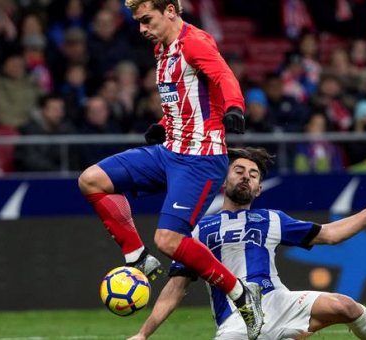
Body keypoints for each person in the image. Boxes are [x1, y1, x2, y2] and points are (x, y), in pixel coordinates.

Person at [76, 1, 264, 339]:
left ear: (171, 12)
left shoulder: (194, 42)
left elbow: (223, 76)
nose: (142, 29)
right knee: (91, 180)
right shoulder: (164, 49)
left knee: (168, 240)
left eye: (147, 20)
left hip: (200, 159)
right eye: (138, 22)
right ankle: (138, 258)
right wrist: (164, 124)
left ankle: (241, 293)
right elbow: (186, 97)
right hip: (169, 151)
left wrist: (235, 107)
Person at [129, 147, 366, 340]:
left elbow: (330, 235)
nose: (245, 176)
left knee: (346, 306)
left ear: (259, 188)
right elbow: (176, 288)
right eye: (238, 170)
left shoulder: (272, 219)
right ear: (224, 181)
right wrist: (143, 333)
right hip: (236, 318)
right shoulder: (197, 231)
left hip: (279, 302)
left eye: (253, 174)